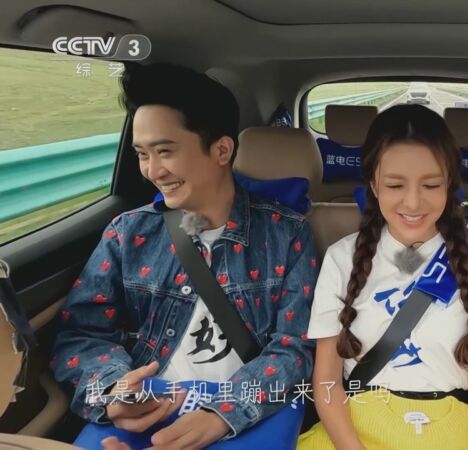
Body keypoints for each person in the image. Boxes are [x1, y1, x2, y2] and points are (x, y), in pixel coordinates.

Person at [51, 63, 317, 449]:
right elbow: (81, 333)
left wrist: (223, 412)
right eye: (142, 154)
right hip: (148, 407)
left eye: (165, 151)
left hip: (249, 408)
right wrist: (112, 392)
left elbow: (296, 346)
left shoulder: (286, 233)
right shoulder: (128, 233)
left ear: (221, 150)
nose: (152, 171)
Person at [297, 104, 468, 450]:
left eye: (431, 185)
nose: (413, 202)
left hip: (452, 430)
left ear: (450, 185)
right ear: (374, 185)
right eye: (395, 185)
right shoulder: (341, 258)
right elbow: (327, 382)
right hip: (354, 431)